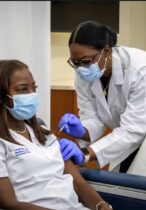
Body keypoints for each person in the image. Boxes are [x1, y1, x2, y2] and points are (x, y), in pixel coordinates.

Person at [0, 60, 112, 210]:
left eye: (33, 88)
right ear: (1, 97)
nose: (31, 94)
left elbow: (79, 185)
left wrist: (102, 206)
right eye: (22, 89)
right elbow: (9, 204)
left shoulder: (42, 133)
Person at [58, 20, 146, 173]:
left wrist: (86, 154)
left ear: (106, 51)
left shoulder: (140, 69)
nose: (80, 68)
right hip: (127, 136)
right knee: (122, 185)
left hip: (136, 133)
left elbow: (133, 129)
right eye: (75, 62)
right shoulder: (84, 73)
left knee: (137, 187)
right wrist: (83, 130)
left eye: (85, 61)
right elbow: (93, 118)